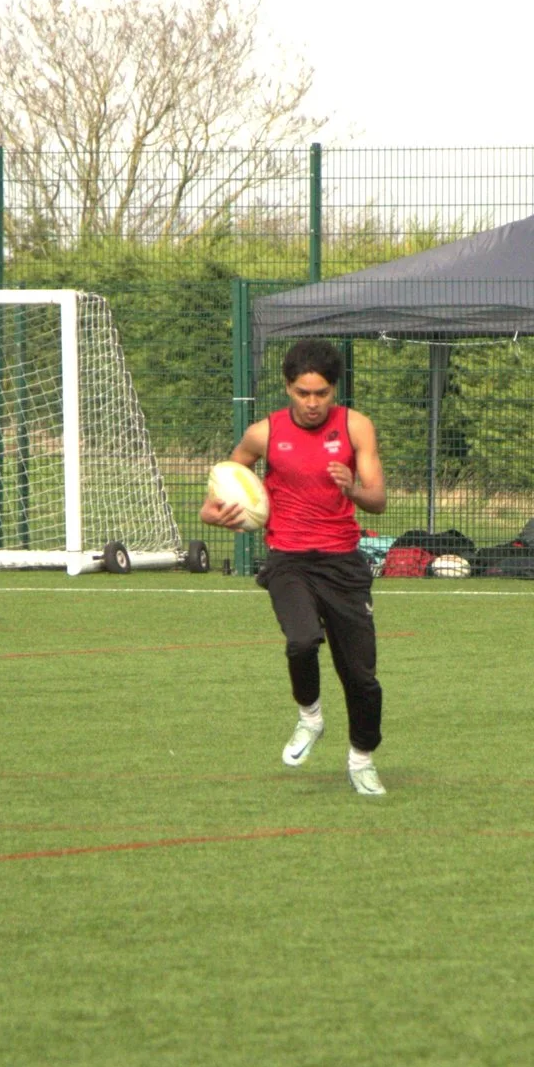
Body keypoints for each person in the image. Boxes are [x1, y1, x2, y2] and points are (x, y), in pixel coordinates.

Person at [202, 340, 393, 797]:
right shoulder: (263, 433)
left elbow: (379, 500)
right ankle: (310, 717)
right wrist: (216, 515)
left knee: (361, 678)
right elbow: (222, 488)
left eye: (321, 393)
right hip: (288, 559)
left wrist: (352, 490)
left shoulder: (357, 427)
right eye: (303, 393)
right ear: (288, 387)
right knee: (302, 641)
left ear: (334, 390)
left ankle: (362, 759)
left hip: (343, 563)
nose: (312, 403)